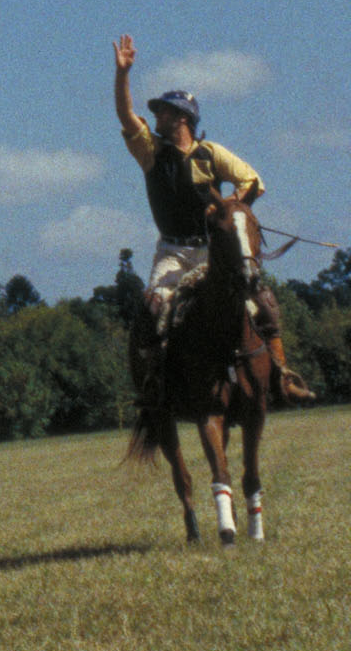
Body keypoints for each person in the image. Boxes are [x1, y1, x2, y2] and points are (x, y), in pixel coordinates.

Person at [111, 37, 312, 404]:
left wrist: (228, 207)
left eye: (164, 113)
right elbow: (126, 116)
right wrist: (122, 74)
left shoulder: (211, 153)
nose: (156, 118)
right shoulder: (151, 151)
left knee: (261, 301)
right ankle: (155, 385)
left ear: (182, 118)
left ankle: (283, 376)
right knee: (156, 306)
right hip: (172, 252)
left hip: (212, 251)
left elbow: (253, 182)